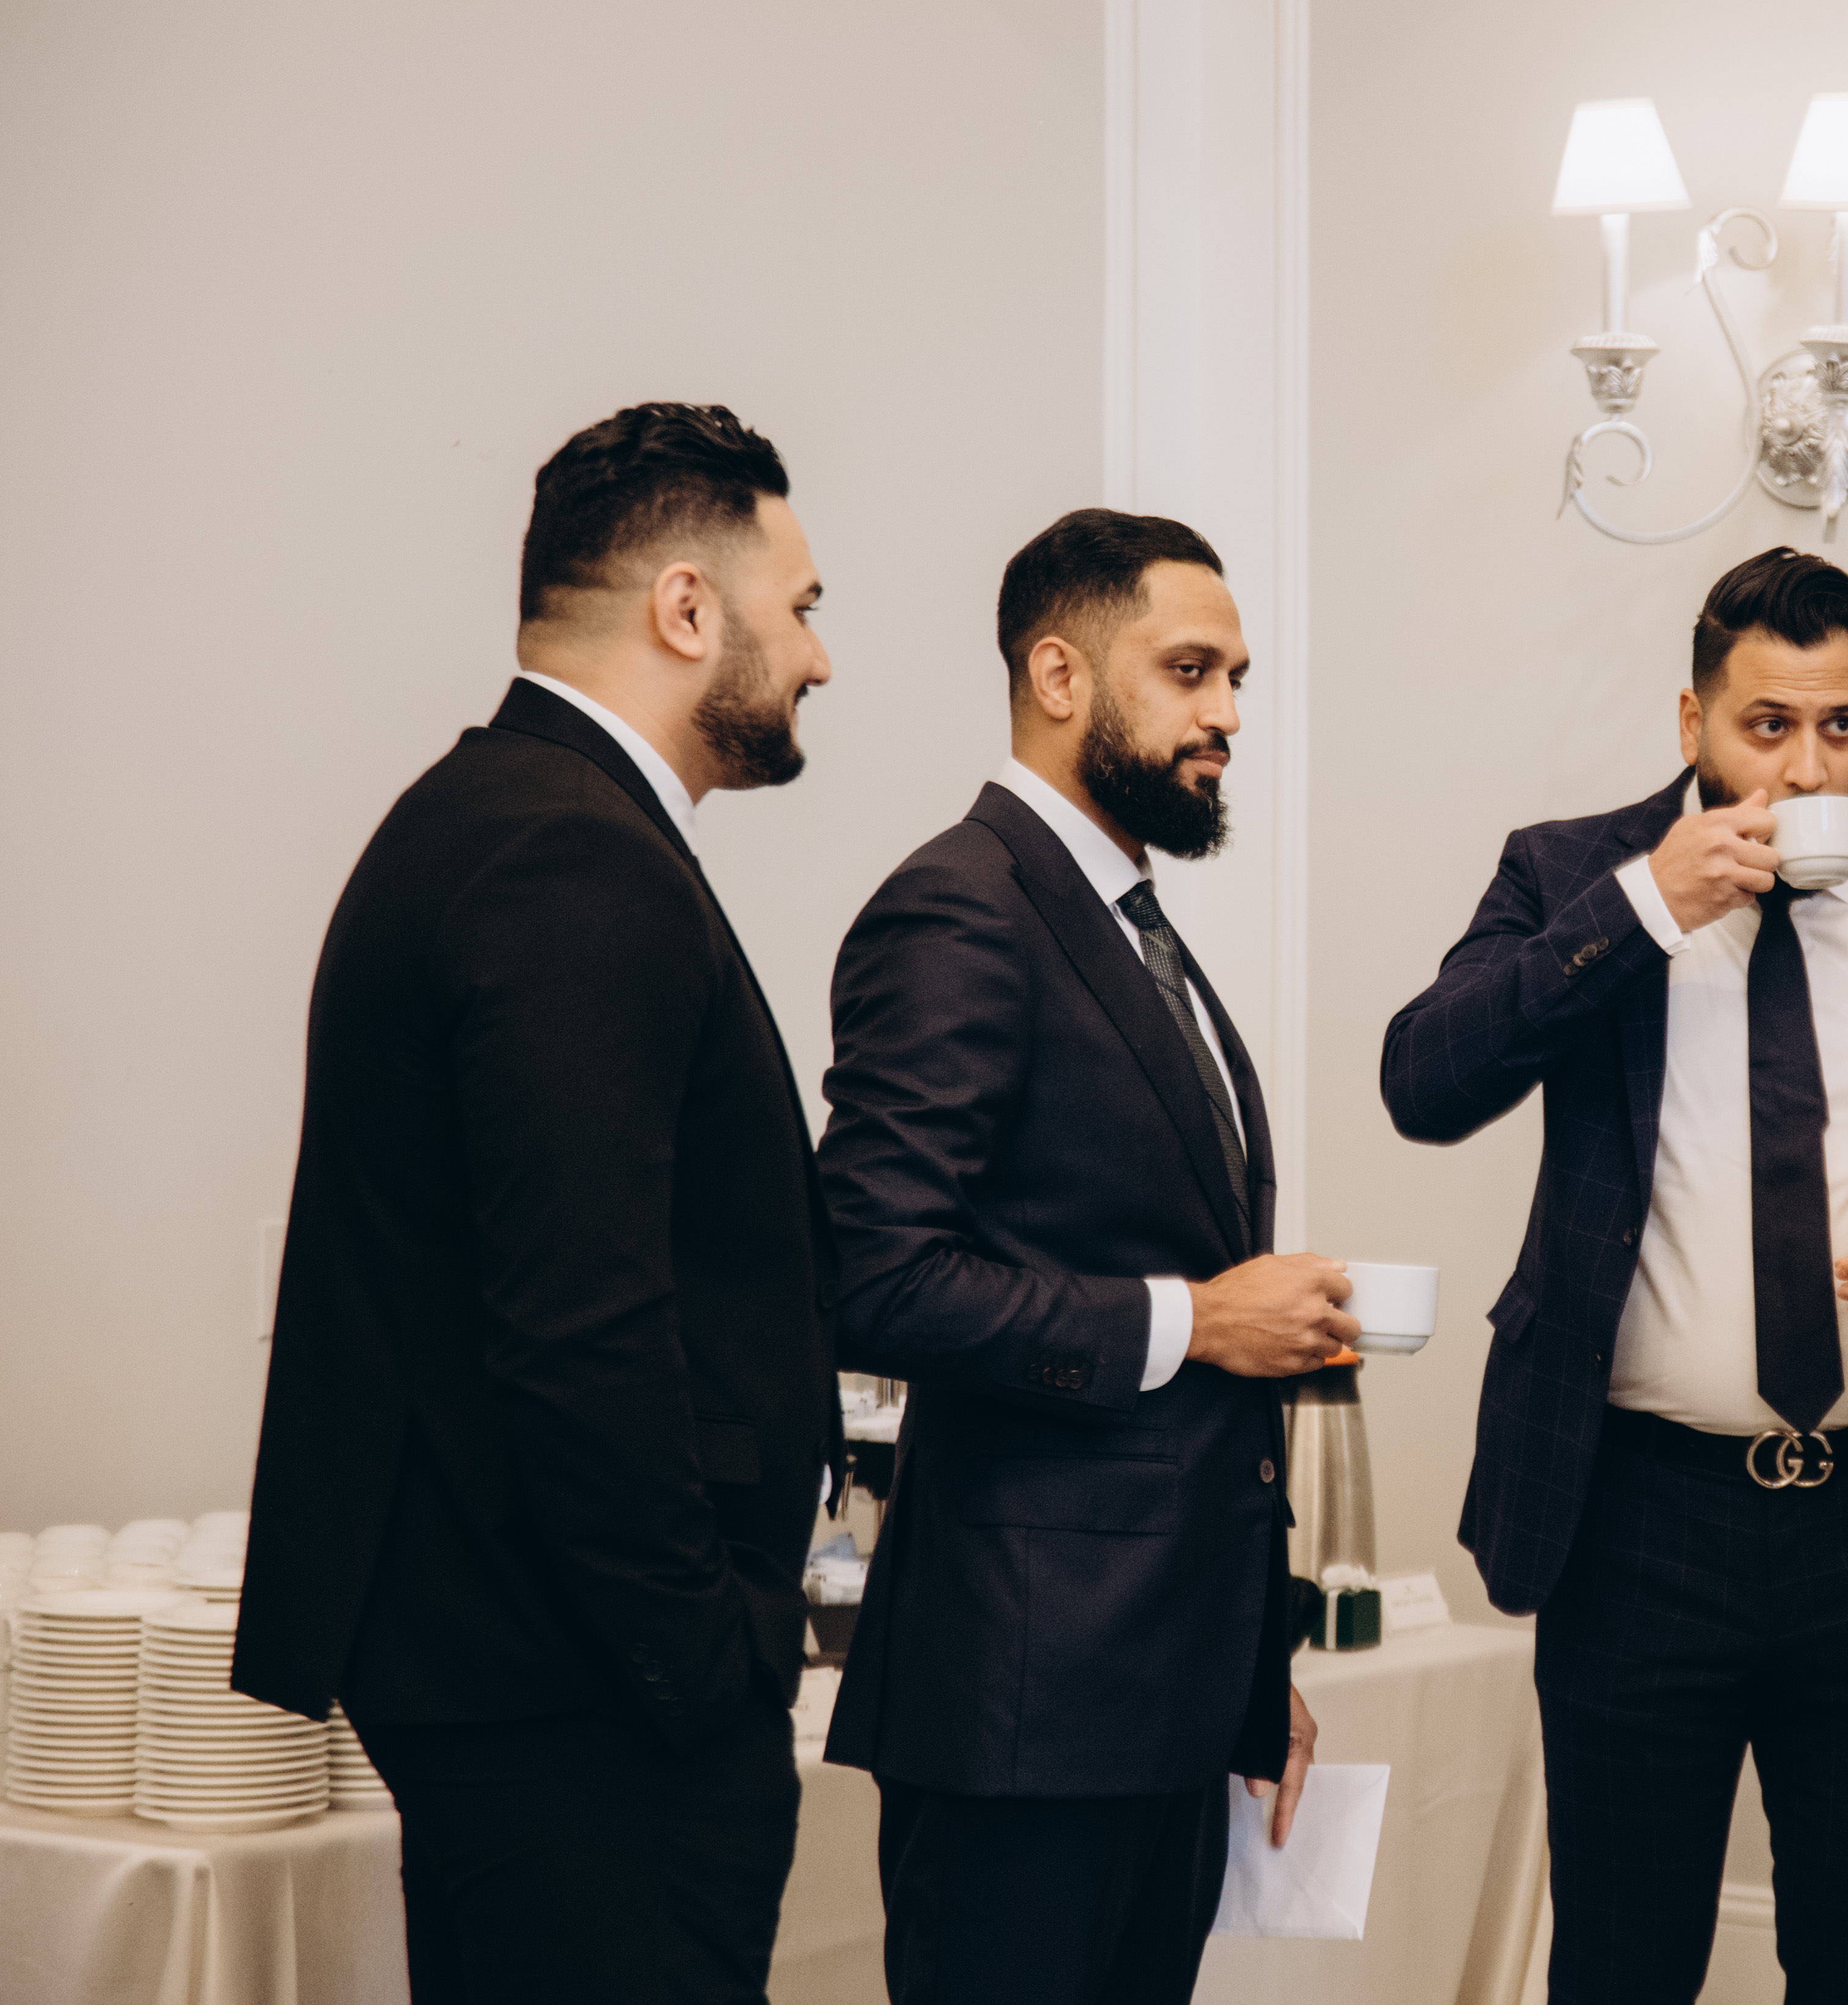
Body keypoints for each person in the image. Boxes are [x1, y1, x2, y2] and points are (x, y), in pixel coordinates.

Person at [1383, 546, 1848, 2004]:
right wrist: (1640, 908)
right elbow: (1425, 1081)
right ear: (1692, 722)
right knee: (1623, 1962)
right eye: (1767, 726)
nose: (1804, 767)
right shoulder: (1566, 871)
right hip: (1636, 1514)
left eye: (1839, 726)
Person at [235, 403, 839, 2005]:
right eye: (800, 607)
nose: (820, 658)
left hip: (531, 1672)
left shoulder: (503, 815)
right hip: (581, 1696)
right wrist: (701, 1668)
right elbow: (584, 1325)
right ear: (686, 609)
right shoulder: (571, 858)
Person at [816, 509, 1347, 2005]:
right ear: (1058, 674)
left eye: (1235, 679)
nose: (1226, 714)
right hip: (1022, 1699)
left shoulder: (1130, 926)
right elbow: (871, 1273)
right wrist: (1196, 1321)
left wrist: (1251, 1668)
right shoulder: (961, 905)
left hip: (1165, 1691)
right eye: (1188, 672)